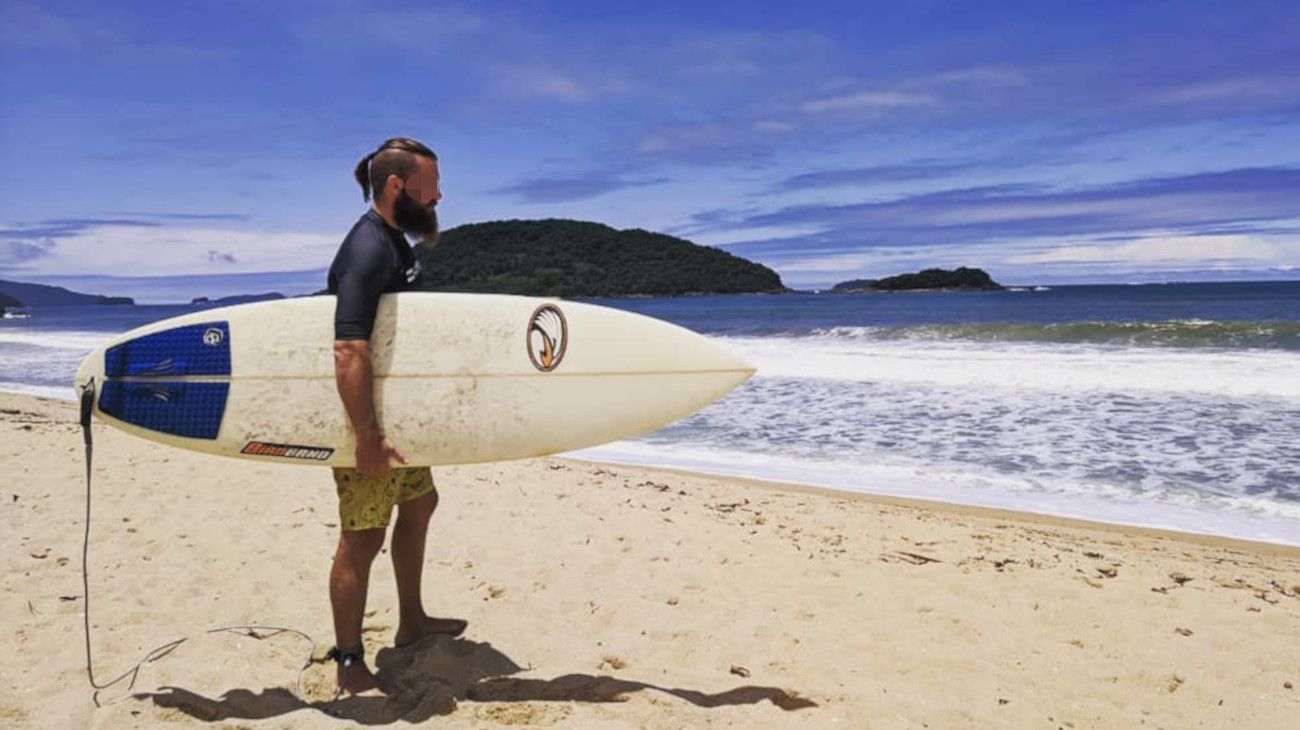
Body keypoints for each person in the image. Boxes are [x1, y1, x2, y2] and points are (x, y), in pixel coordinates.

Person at [326, 137, 466, 697]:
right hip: (366, 424)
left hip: (396, 422)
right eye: (431, 186)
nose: (439, 195)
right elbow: (349, 349)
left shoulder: (396, 243)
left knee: (421, 501)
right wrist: (366, 437)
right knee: (361, 538)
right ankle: (349, 664)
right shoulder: (367, 248)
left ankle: (411, 621)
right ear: (397, 186)